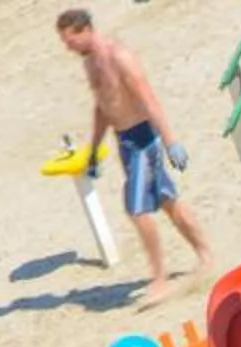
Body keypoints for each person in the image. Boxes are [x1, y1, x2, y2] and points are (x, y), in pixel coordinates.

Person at [57, 8, 213, 307]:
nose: (69, 48)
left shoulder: (119, 56)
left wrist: (170, 141)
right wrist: (93, 149)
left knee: (136, 208)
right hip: (125, 142)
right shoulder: (90, 63)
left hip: (144, 140)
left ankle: (159, 279)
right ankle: (205, 255)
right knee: (168, 202)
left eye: (71, 41)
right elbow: (102, 107)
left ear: (85, 29)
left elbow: (148, 99)